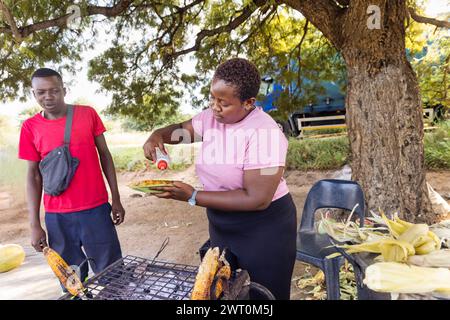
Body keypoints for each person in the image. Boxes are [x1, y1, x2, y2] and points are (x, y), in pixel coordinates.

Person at [143, 58, 297, 300]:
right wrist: (157, 135)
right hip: (222, 225)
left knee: (261, 297)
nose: (214, 107)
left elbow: (257, 199)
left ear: (248, 103)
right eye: (212, 98)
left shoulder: (265, 133)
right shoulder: (210, 119)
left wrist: (193, 196)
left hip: (264, 230)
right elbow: (180, 131)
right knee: (223, 292)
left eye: (223, 103)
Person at [18, 68, 124, 285]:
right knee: (71, 281)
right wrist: (34, 225)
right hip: (58, 218)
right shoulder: (30, 127)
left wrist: (116, 199)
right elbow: (33, 176)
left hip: (96, 210)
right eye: (41, 92)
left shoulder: (87, 114)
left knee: (113, 276)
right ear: (33, 94)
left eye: (54, 90)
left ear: (64, 90)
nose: (48, 96)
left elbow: (105, 155)